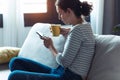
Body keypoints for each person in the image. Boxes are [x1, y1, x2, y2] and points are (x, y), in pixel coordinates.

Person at [8, 0, 95, 80]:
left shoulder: (77, 30)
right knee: (15, 62)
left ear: (69, 11)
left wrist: (50, 46)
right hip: (60, 71)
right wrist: (66, 33)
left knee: (13, 76)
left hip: (69, 77)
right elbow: (76, 46)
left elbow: (64, 62)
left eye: (60, 13)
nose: (59, 17)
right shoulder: (84, 26)